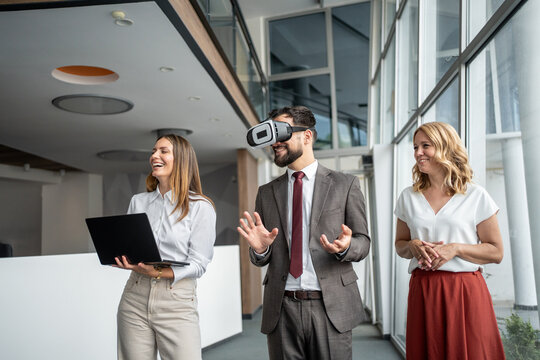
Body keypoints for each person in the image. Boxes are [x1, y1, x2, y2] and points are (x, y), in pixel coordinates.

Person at [237, 106, 370, 360]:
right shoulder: (266, 193)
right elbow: (261, 257)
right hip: (281, 308)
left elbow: (363, 243)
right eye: (271, 134)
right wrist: (260, 249)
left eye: (281, 133)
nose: (275, 142)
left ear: (306, 136)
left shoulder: (345, 184)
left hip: (330, 307)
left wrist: (345, 247)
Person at [394, 122, 505, 359]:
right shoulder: (407, 197)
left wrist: (455, 249)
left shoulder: (475, 195)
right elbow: (400, 246)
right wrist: (413, 246)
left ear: (445, 147)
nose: (418, 153)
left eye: (426, 146)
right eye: (415, 147)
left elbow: (496, 252)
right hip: (423, 289)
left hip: (464, 291)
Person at [114, 134, 216, 360]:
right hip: (135, 296)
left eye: (163, 151)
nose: (154, 156)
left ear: (181, 160)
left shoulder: (200, 207)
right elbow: (132, 247)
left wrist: (158, 271)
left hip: (176, 299)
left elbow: (199, 264)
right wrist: (125, 259)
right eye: (153, 151)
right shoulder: (138, 201)